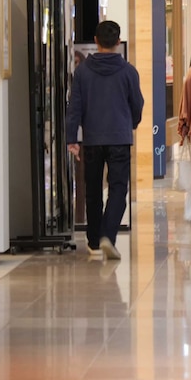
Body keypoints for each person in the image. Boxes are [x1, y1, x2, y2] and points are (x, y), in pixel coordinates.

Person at [67, 21, 144, 260]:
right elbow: (138, 104)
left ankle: (93, 242)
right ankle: (108, 236)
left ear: (96, 41)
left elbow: (74, 106)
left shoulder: (83, 71)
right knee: (118, 188)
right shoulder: (128, 71)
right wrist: (130, 123)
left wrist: (72, 138)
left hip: (92, 139)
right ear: (118, 42)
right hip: (119, 137)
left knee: (92, 190)